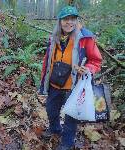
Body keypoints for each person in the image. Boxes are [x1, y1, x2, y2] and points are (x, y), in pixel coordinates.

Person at [39, 6, 102, 150]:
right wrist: (43, 82)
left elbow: (96, 61)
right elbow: (47, 61)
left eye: (72, 19)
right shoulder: (54, 37)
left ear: (76, 20)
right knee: (51, 110)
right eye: (66, 19)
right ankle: (55, 129)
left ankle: (67, 143)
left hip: (74, 86)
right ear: (60, 21)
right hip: (55, 83)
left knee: (71, 117)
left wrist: (88, 69)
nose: (69, 22)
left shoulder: (85, 38)